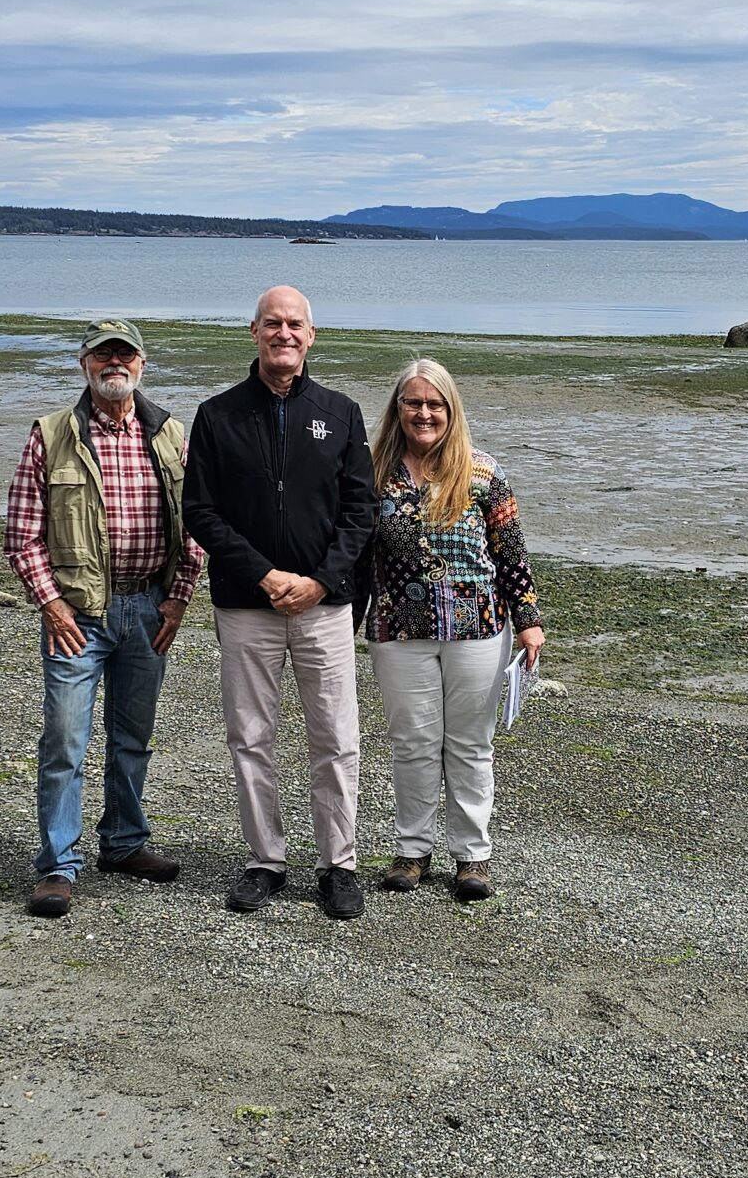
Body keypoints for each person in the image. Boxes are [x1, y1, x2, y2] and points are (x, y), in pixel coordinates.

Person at [182, 285, 375, 920]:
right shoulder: (217, 416)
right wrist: (265, 575)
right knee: (251, 737)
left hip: (325, 606)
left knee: (337, 736)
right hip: (246, 604)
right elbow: (202, 514)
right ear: (254, 333)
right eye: (272, 323)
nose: (283, 333)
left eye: (294, 324)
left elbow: (360, 510)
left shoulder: (341, 413)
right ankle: (265, 859)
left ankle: (337, 863)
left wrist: (320, 581)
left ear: (311, 336)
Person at [3, 319, 205, 919]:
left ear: (141, 364)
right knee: (65, 740)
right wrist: (51, 603)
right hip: (78, 616)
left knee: (133, 737)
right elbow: (21, 535)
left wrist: (179, 598)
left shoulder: (170, 434)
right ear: (84, 363)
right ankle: (58, 867)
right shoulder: (52, 433)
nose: (114, 363)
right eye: (102, 354)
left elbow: (196, 522)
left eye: (125, 354)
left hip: (150, 608)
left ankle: (123, 842)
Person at [360, 360, 544, 901]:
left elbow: (510, 550)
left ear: (450, 410)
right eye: (413, 403)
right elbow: (353, 552)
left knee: (469, 744)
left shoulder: (483, 471)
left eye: (434, 404)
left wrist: (529, 620)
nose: (424, 413)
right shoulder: (373, 472)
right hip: (398, 628)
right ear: (397, 410)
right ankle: (412, 850)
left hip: (480, 629)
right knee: (413, 743)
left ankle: (472, 856)